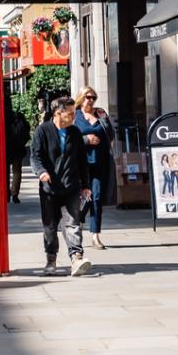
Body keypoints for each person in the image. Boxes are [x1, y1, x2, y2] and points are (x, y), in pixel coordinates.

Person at [30, 96, 93, 277]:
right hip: (50, 187)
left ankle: (76, 257)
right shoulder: (42, 131)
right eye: (71, 113)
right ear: (59, 113)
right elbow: (35, 156)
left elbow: (82, 161)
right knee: (50, 225)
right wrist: (41, 172)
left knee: (73, 222)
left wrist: (85, 185)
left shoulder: (74, 132)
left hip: (71, 185)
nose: (74, 116)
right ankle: (51, 260)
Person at [73, 89, 116, 248]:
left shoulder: (100, 114)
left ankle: (95, 236)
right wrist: (86, 140)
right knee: (83, 198)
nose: (90, 100)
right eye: (87, 97)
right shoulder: (74, 116)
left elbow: (110, 135)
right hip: (80, 164)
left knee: (96, 198)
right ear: (81, 98)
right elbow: (67, 138)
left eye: (93, 97)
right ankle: (80, 218)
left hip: (100, 162)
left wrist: (105, 121)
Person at [4, 97, 32, 204]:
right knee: (17, 172)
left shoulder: (1, 116)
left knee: (5, 173)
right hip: (17, 148)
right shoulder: (17, 116)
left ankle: (6, 193)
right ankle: (15, 193)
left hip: (5, 148)